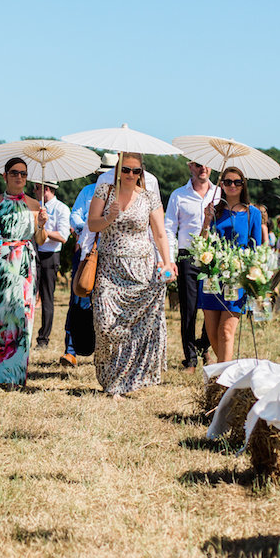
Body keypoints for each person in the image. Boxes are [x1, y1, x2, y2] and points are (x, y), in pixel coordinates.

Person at [87, 152, 176, 399]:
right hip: (110, 268)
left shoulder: (149, 197)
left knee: (134, 329)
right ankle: (109, 375)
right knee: (105, 324)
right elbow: (92, 224)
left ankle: (123, 382)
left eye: (136, 171)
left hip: (142, 270)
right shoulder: (104, 190)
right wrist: (109, 217)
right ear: (117, 170)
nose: (130, 175)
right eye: (126, 170)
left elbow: (159, 233)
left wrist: (167, 262)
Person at [0, 157, 48, 387]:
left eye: (23, 174)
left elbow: (41, 241)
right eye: (14, 173)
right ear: (5, 176)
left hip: (24, 265)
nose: (19, 177)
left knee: (21, 318)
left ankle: (16, 375)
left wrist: (42, 224)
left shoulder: (35, 206)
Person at [199, 166, 263, 363]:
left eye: (237, 182)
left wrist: (253, 279)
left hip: (236, 280)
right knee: (212, 334)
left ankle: (221, 384)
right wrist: (206, 221)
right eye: (227, 182)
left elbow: (257, 249)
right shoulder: (214, 210)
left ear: (243, 185)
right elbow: (203, 243)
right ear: (222, 185)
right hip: (212, 278)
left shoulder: (253, 213)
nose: (232, 185)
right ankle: (225, 372)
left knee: (226, 331)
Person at [59, 153, 117, 367]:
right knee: (79, 297)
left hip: (112, 255)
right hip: (88, 251)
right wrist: (92, 226)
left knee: (109, 304)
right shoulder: (87, 191)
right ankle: (71, 350)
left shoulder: (123, 195)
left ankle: (103, 352)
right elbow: (75, 216)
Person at [164, 160, 220, 370]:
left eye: (206, 165)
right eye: (198, 165)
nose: (203, 168)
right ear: (190, 167)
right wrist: (170, 258)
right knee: (188, 309)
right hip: (187, 255)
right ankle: (190, 358)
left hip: (213, 257)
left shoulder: (220, 193)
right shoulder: (178, 195)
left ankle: (204, 346)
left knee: (211, 306)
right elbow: (169, 227)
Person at [35, 182, 70, 349]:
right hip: (33, 253)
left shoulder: (61, 208)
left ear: (45, 189)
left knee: (47, 298)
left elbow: (63, 236)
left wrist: (43, 230)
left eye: (36, 187)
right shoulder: (34, 207)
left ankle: (43, 338)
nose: (33, 191)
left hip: (50, 255)